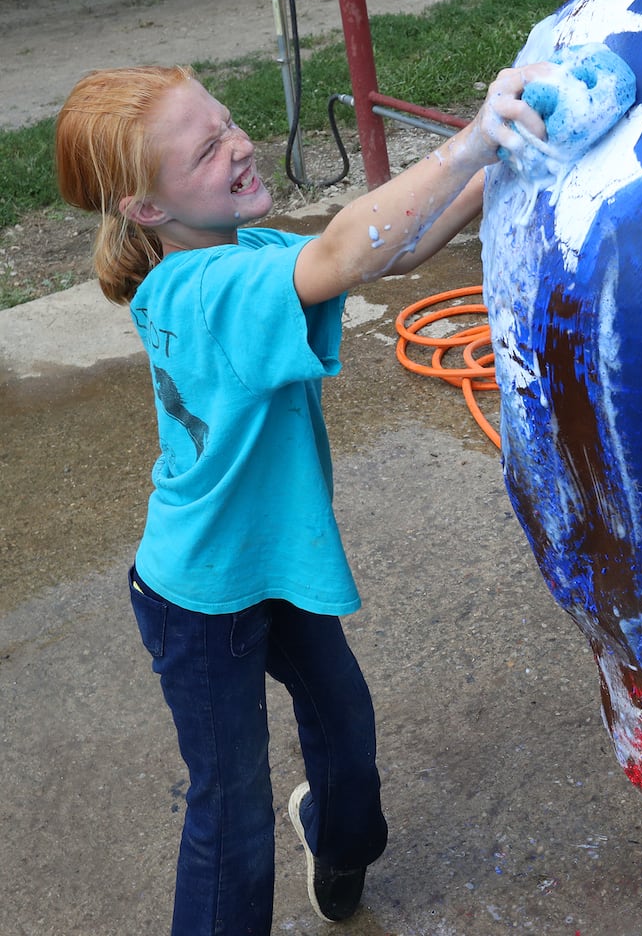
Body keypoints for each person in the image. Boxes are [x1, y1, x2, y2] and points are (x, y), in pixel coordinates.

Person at [54, 61, 550, 934]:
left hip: (274, 568)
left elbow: (389, 247)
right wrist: (472, 136)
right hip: (200, 597)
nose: (240, 144)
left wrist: (500, 162)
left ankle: (339, 838)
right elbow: (343, 249)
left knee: (346, 738)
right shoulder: (198, 290)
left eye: (229, 121)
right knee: (230, 809)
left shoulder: (241, 252)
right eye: (207, 149)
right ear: (147, 210)